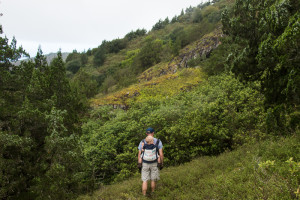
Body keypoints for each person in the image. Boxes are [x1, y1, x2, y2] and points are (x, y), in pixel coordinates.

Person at [138, 128, 164, 196]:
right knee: (153, 179)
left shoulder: (142, 142)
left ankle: (144, 195)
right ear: (153, 133)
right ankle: (153, 192)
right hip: (154, 163)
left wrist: (139, 164)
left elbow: (140, 154)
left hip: (145, 163)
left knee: (144, 180)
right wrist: (161, 163)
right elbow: (160, 154)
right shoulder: (158, 141)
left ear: (146, 133)